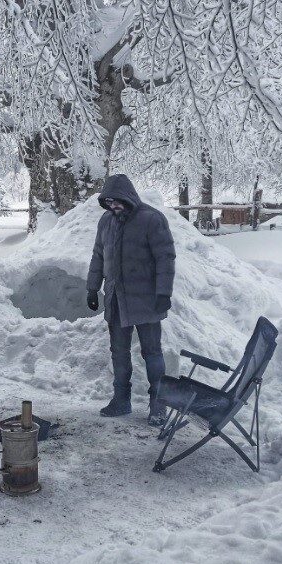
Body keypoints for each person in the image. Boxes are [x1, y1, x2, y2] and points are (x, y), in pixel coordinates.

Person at [86, 174, 176, 425]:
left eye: (117, 202)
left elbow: (165, 259)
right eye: (109, 203)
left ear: (128, 197)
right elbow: (98, 256)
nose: (113, 207)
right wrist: (92, 288)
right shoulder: (106, 221)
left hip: (146, 299)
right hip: (115, 298)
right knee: (119, 352)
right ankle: (121, 399)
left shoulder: (151, 219)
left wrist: (163, 294)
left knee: (152, 352)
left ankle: (158, 405)